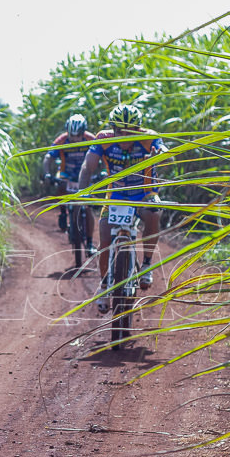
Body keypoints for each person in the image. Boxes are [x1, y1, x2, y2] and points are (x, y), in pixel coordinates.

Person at [77, 104, 168, 313]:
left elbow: (165, 152)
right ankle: (103, 285)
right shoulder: (103, 139)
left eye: (130, 131)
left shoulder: (150, 138)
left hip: (144, 193)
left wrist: (161, 155)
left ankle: (146, 264)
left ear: (139, 130)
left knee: (154, 213)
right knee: (105, 239)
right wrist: (83, 191)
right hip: (115, 195)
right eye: (119, 131)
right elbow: (87, 167)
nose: (124, 136)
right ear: (113, 129)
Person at [41, 114, 97, 256]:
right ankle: (63, 212)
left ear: (83, 133)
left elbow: (104, 155)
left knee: (88, 207)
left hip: (84, 175)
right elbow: (48, 157)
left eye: (78, 136)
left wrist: (103, 172)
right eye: (72, 136)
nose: (74, 139)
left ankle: (90, 243)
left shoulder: (91, 139)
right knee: (60, 185)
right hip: (66, 173)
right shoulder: (62, 139)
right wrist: (47, 173)